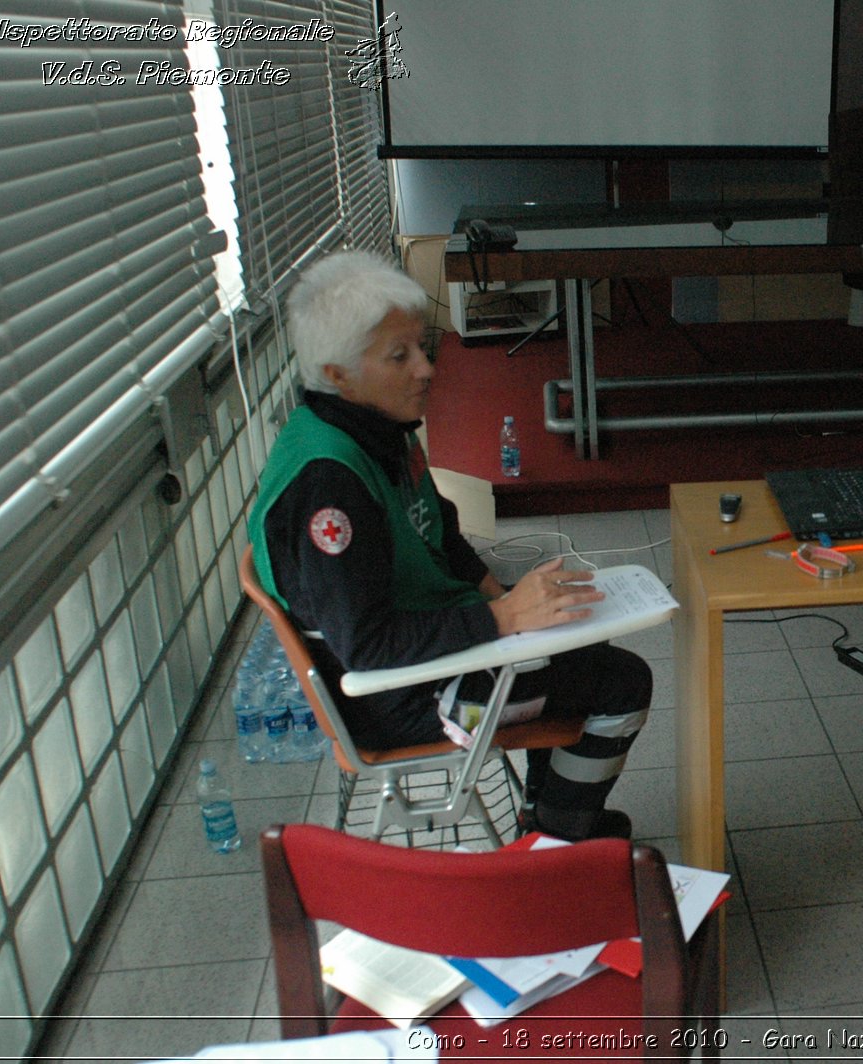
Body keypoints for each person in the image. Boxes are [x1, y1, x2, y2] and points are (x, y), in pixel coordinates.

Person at [247, 251, 649, 841]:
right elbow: (367, 646)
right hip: (404, 699)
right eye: (399, 356)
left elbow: (439, 534)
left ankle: (544, 810)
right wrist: (507, 616)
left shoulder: (376, 427)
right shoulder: (329, 486)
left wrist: (508, 605)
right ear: (338, 373)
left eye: (421, 346)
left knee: (577, 626)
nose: (427, 368)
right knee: (623, 681)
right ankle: (564, 833)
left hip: (423, 649)